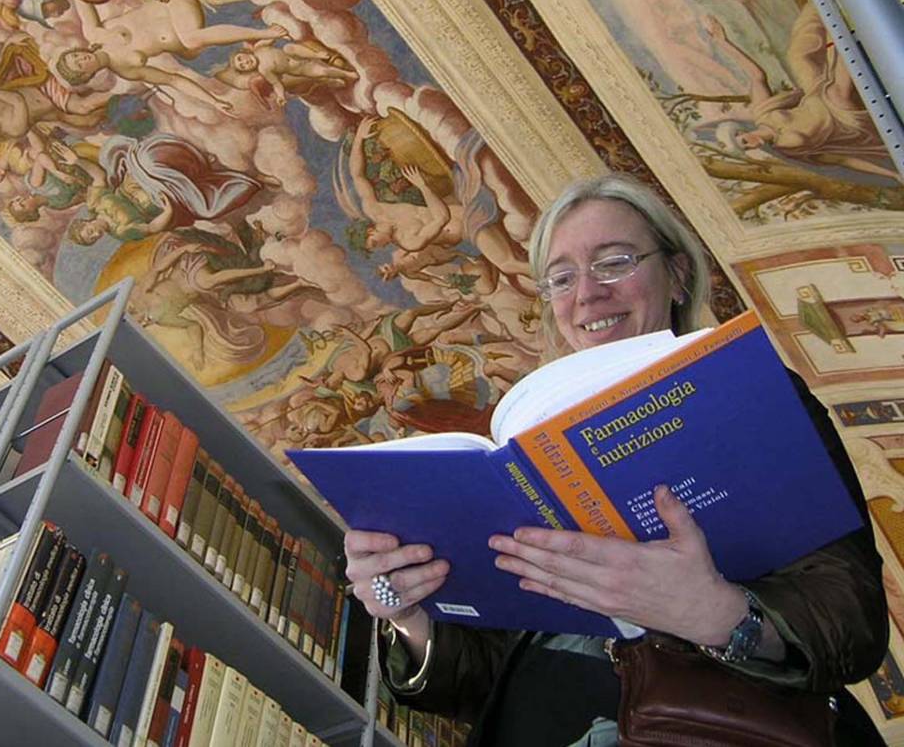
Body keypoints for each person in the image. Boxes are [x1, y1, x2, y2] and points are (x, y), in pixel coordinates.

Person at [345, 173, 888, 746]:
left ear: (677, 275)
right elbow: (478, 681)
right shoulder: (521, 452)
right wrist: (406, 610)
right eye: (561, 278)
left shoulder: (753, 395)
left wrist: (718, 613)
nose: (586, 294)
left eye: (614, 262)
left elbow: (852, 615)